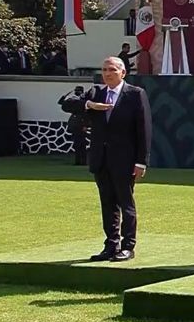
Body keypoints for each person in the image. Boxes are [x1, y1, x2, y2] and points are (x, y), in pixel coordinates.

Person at [59, 57, 152, 262]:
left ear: (122, 73)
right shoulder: (96, 93)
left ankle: (128, 246)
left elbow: (143, 130)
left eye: (112, 69)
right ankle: (111, 245)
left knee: (125, 202)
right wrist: (89, 104)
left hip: (125, 160)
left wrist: (140, 161)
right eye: (104, 70)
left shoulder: (135, 95)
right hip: (101, 159)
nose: (107, 73)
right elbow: (66, 104)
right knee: (107, 203)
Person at [58, 85, 89, 165]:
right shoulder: (74, 101)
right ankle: (79, 161)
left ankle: (82, 161)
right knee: (78, 144)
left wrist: (86, 125)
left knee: (81, 144)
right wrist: (66, 95)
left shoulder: (83, 101)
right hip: (77, 124)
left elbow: (87, 114)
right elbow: (61, 103)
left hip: (81, 124)